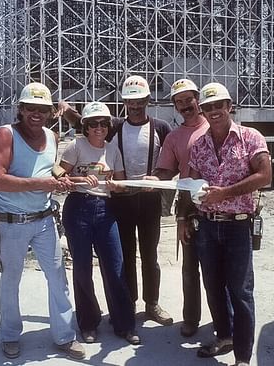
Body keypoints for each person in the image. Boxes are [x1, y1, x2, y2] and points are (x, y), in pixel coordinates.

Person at [58, 75, 174, 326]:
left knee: (150, 254)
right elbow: (86, 123)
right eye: (130, 101)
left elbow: (172, 160)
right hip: (120, 200)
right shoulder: (116, 126)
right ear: (124, 102)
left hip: (149, 200)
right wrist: (67, 110)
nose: (134, 105)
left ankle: (152, 303)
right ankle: (128, 303)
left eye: (139, 100)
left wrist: (157, 178)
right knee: (126, 255)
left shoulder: (161, 127)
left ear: (147, 100)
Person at [0, 82, 85, 360]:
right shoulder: (5, 135)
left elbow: (49, 173)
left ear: (50, 112)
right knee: (10, 280)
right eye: (30, 108)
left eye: (42, 109)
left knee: (57, 278)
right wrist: (42, 183)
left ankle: (65, 336)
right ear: (20, 109)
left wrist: (63, 180)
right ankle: (9, 335)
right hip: (12, 222)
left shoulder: (52, 137)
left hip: (44, 220)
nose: (36, 114)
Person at [180, 82, 272, 366]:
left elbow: (265, 176)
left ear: (229, 106)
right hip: (207, 226)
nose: (214, 111)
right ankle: (224, 336)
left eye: (219, 105)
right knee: (213, 286)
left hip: (237, 226)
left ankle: (243, 358)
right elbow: (190, 183)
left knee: (241, 291)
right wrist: (185, 215)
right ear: (202, 110)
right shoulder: (199, 144)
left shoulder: (250, 138)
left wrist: (225, 193)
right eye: (208, 107)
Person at [59, 101, 140, 345]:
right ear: (85, 126)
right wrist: (80, 178)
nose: (98, 128)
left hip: (105, 210)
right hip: (78, 208)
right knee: (82, 269)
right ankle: (88, 322)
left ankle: (123, 323)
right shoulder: (75, 146)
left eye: (103, 123)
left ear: (108, 126)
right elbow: (57, 176)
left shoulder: (113, 150)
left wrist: (117, 185)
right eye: (93, 124)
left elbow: (123, 182)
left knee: (115, 267)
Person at [153, 78, 209, 337]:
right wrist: (150, 180)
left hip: (220, 205)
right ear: (174, 106)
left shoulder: (216, 127)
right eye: (179, 101)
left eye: (189, 99)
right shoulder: (174, 138)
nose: (185, 105)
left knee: (220, 270)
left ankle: (225, 322)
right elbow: (165, 172)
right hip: (187, 207)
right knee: (189, 268)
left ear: (198, 100)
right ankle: (191, 319)